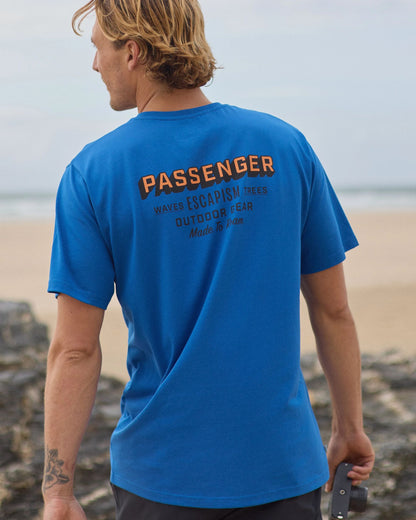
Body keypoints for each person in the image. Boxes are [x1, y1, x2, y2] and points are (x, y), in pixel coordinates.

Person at [42, 1, 375, 519]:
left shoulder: (93, 173)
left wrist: (58, 494)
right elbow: (333, 311)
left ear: (132, 53)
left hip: (161, 477)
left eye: (98, 48)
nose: (94, 64)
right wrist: (349, 429)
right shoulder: (285, 145)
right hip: (282, 467)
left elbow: (75, 349)